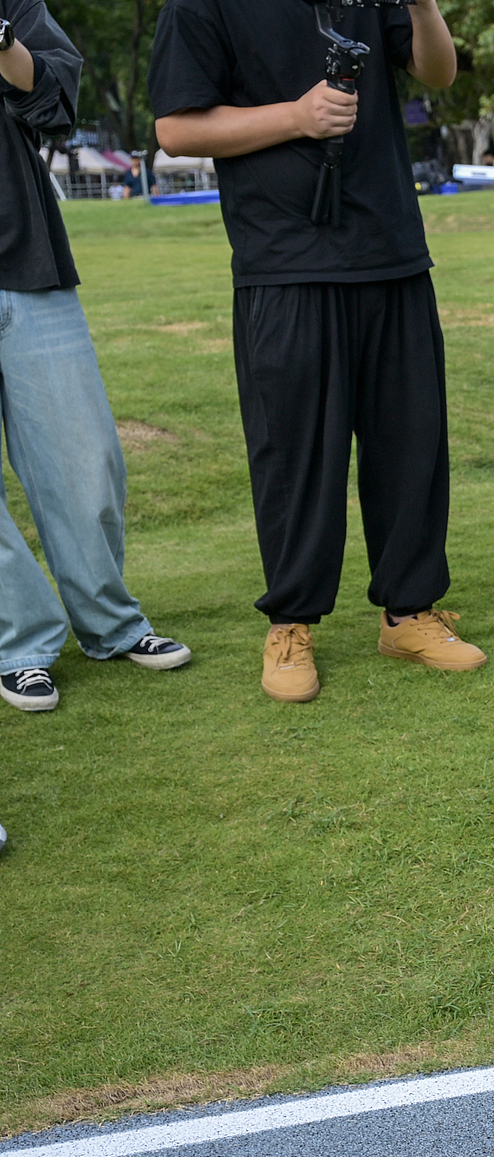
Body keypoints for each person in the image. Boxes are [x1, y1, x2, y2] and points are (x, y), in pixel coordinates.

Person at [151, 0, 481, 703]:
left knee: (412, 443)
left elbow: (438, 72)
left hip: (391, 251)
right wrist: (296, 117)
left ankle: (409, 612)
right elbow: (176, 129)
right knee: (295, 454)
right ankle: (292, 623)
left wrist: (423, 6)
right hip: (284, 260)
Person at [1, 0, 191, 714]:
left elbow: (54, 100)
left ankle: (111, 624)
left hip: (27, 256)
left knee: (86, 461)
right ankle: (20, 643)